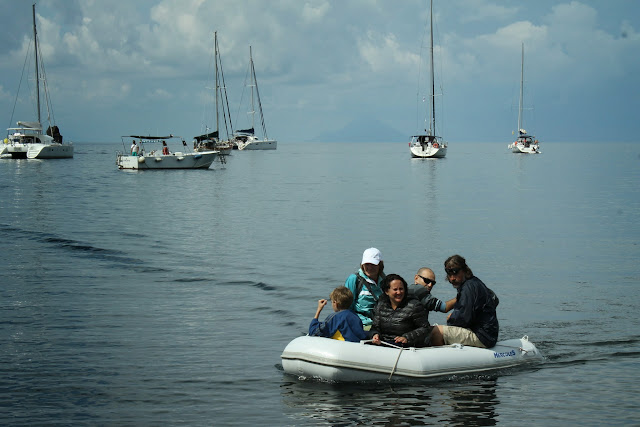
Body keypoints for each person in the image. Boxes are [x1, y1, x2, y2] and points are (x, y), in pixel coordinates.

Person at [430, 255, 500, 348]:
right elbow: (495, 300)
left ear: (464, 270)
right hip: (489, 334)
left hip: (482, 336)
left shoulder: (468, 288)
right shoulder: (475, 282)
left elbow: (463, 319)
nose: (452, 278)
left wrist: (451, 318)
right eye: (449, 274)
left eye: (455, 273)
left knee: (435, 332)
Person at [369, 273, 431, 347]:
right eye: (395, 289)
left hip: (405, 347)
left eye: (401, 289)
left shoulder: (414, 306)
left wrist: (406, 338)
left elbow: (425, 328)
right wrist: (375, 334)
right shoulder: (381, 305)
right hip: (384, 344)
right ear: (386, 291)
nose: (399, 292)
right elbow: (375, 327)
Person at [344, 247, 385, 329]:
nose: (369, 268)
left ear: (380, 265)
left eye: (373, 264)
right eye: (367, 264)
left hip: (381, 322)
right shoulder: (354, 280)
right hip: (361, 323)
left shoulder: (385, 280)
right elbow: (346, 307)